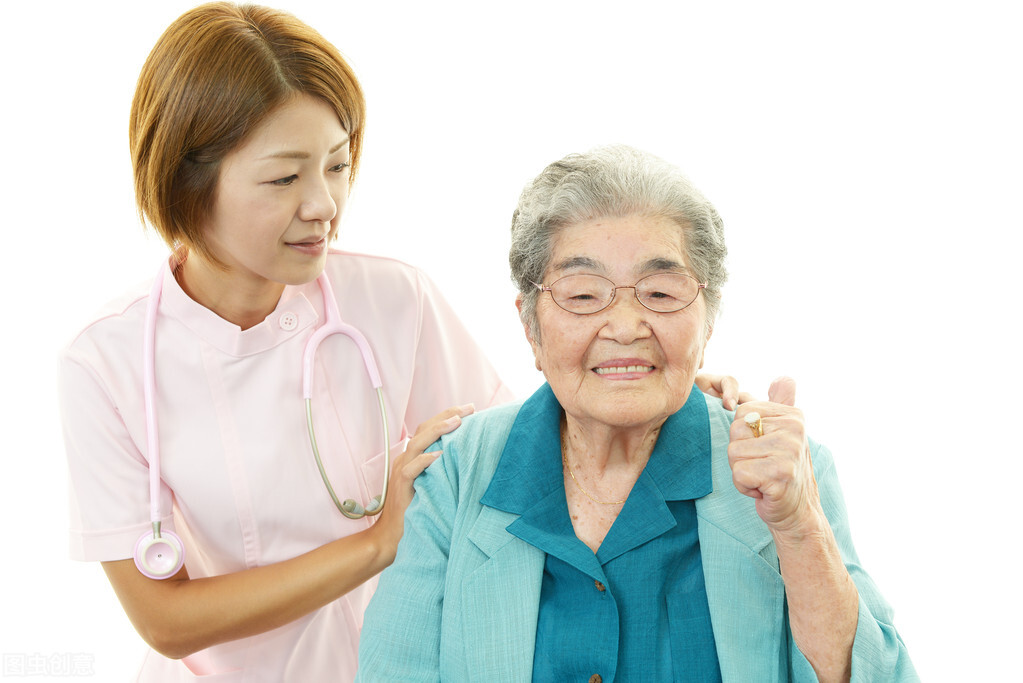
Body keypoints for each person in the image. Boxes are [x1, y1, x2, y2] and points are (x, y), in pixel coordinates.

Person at [57, 5, 742, 680]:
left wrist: (668, 394)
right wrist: (376, 542)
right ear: (187, 180)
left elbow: (525, 449)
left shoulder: (392, 298)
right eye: (284, 177)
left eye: (336, 165)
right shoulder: (105, 360)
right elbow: (165, 620)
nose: (324, 204)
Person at [356, 145, 918, 682]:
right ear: (530, 327)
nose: (625, 327)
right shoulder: (453, 475)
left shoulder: (783, 467)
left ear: (708, 322)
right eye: (582, 294)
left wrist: (798, 527)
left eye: (661, 293)